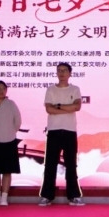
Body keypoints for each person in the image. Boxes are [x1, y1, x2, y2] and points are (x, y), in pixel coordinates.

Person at [39, 62, 84, 206]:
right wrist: (67, 108)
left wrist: (57, 106)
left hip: (70, 130)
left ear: (70, 73)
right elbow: (49, 109)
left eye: (64, 70)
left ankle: (74, 196)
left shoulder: (75, 89)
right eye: (59, 70)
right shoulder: (51, 89)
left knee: (71, 164)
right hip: (54, 130)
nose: (62, 73)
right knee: (50, 164)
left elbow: (77, 106)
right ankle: (47, 196)